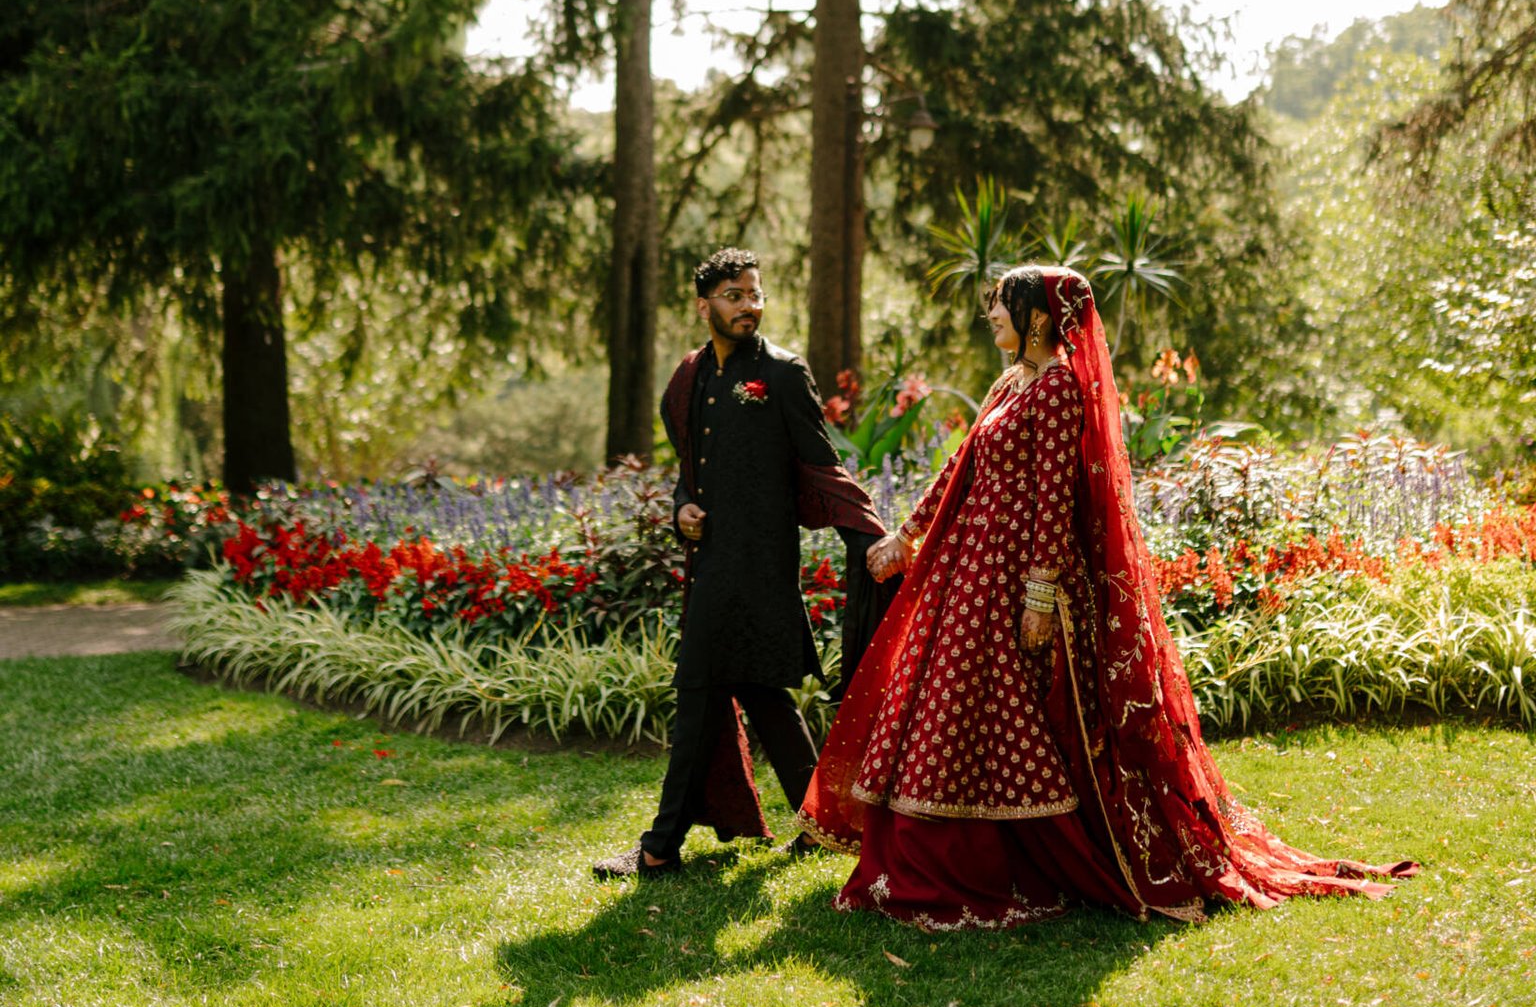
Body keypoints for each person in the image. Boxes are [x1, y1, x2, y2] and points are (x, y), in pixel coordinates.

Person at [802, 266, 1417, 929]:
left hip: (1016, 574)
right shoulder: (1011, 381)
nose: (992, 316)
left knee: (993, 707)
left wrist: (1039, 594)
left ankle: (996, 859)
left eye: (1002, 305)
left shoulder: (1059, 388)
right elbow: (962, 465)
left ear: (1037, 316)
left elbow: (1052, 495)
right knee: (948, 700)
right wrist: (908, 534)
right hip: (969, 568)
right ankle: (924, 853)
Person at [594, 248, 893, 879]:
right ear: (703, 306)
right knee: (762, 693)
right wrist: (682, 507)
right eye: (734, 296)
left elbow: (821, 463)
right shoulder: (690, 377)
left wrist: (869, 535)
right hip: (711, 564)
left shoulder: (782, 373)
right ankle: (824, 823)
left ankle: (659, 848)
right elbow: (688, 469)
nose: (749, 306)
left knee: (697, 693)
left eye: (755, 294)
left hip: (761, 567)